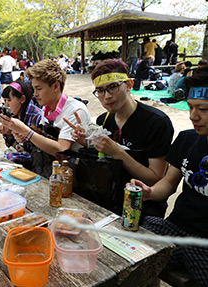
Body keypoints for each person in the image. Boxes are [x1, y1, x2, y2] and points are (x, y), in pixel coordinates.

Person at [129, 71, 208, 286]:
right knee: (127, 258)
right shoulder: (187, 139)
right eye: (190, 107)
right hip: (175, 228)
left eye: (202, 109)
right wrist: (150, 192)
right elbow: (169, 183)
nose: (193, 116)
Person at [68, 58, 174, 217]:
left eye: (113, 87)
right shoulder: (103, 120)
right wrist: (87, 142)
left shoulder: (157, 123)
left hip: (142, 204)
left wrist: (118, 152)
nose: (107, 96)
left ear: (129, 85)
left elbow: (155, 179)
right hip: (108, 195)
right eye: (100, 91)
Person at [0, 59, 91, 177]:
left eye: (39, 89)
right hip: (48, 172)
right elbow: (41, 144)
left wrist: (27, 132)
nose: (35, 94)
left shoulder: (75, 111)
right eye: (34, 89)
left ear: (56, 86)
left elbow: (61, 149)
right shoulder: (46, 109)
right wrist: (21, 137)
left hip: (72, 177)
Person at [0, 81, 42, 170]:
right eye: (5, 100)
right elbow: (12, 145)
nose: (6, 104)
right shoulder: (16, 114)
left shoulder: (36, 116)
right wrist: (8, 134)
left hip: (37, 160)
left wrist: (25, 138)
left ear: (22, 99)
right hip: (23, 154)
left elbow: (38, 151)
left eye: (9, 100)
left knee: (7, 159)